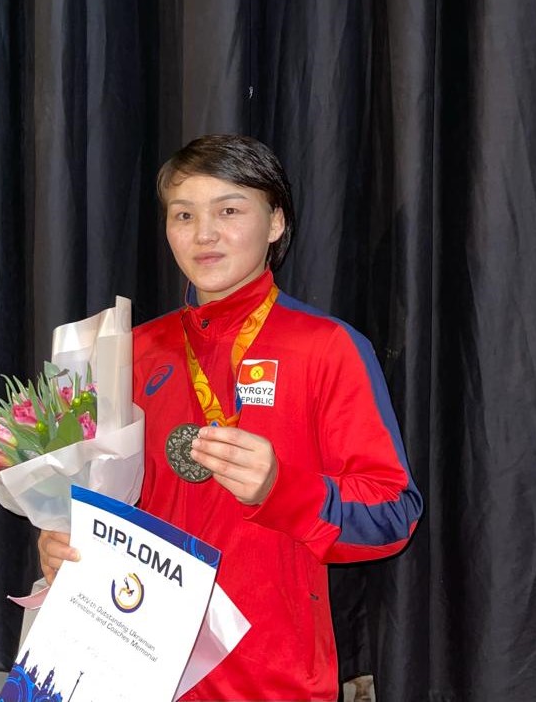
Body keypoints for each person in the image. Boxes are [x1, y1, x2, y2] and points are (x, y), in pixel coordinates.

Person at [38, 134, 423, 701]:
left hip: (269, 679)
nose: (204, 234)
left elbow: (393, 515)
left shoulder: (328, 348)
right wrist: (65, 539)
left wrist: (281, 489)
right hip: (129, 665)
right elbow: (100, 497)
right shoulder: (130, 351)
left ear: (275, 223)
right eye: (184, 215)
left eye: (229, 211)